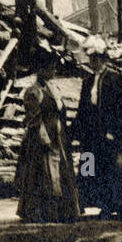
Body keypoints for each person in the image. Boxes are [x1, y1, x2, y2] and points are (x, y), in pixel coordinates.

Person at [74, 35, 122, 221]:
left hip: (110, 135)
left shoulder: (114, 79)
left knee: (114, 170)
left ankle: (121, 207)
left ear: (104, 58)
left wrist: (116, 132)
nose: (93, 62)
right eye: (91, 59)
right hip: (91, 136)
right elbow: (83, 108)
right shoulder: (87, 81)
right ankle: (101, 205)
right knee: (90, 169)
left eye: (97, 58)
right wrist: (77, 131)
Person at [14, 53, 80, 223]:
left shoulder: (53, 89)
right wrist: (45, 140)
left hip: (58, 136)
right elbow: (34, 119)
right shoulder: (32, 92)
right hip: (42, 139)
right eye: (51, 68)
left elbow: (60, 112)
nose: (54, 71)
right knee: (45, 173)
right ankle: (42, 212)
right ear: (41, 70)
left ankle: (63, 211)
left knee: (61, 172)